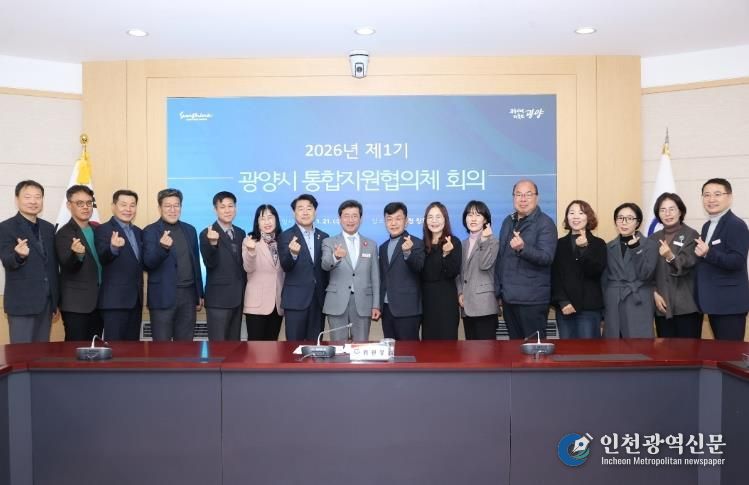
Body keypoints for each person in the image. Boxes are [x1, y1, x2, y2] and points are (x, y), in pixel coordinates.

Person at [496, 180, 557, 339]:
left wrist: (523, 248)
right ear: (513, 197)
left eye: (528, 194)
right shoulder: (508, 221)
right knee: (514, 347)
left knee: (534, 348)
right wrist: (498, 292)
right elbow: (501, 258)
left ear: (537, 197)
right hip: (509, 299)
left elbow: (547, 257)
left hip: (532, 301)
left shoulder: (545, 223)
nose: (523, 199)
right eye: (519, 194)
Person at [0, 180, 59, 343]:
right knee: (21, 353)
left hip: (46, 303)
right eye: (27, 197)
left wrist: (55, 301)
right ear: (17, 199)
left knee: (42, 353)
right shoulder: (6, 227)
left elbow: (52, 266)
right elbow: (7, 261)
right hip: (22, 303)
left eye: (38, 197)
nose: (33, 201)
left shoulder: (48, 228)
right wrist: (18, 255)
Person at [143, 188, 204, 341]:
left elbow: (195, 263)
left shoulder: (190, 230)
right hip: (162, 297)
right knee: (161, 348)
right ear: (160, 208)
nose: (172, 210)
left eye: (176, 205)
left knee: (185, 347)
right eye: (167, 206)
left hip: (188, 296)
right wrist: (162, 248)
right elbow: (147, 263)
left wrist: (199, 293)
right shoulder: (150, 231)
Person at [694, 178, 749, 341]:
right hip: (714, 302)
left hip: (729, 304)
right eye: (706, 195)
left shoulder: (736, 225)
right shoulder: (707, 226)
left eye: (717, 194)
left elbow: (737, 261)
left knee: (730, 352)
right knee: (720, 351)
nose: (711, 199)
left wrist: (708, 253)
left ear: (729, 197)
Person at [321, 200, 380, 341]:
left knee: (360, 346)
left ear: (361, 218)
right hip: (337, 302)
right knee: (338, 346)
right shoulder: (329, 242)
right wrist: (336, 256)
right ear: (340, 218)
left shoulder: (371, 244)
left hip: (363, 302)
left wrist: (376, 305)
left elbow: (375, 277)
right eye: (346, 216)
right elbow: (325, 265)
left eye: (354, 216)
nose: (350, 220)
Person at [648, 192, 702, 338]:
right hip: (662, 306)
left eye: (672, 209)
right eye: (663, 210)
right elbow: (648, 272)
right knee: (665, 350)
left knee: (689, 349)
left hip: (686, 306)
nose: (667, 214)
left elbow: (689, 263)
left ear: (680, 211)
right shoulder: (653, 239)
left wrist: (670, 256)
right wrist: (654, 293)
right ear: (658, 214)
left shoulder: (691, 234)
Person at [551, 200, 606, 339]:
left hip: (588, 309)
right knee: (566, 350)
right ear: (567, 217)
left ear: (588, 217)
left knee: (589, 350)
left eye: (581, 213)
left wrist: (584, 249)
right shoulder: (559, 244)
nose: (575, 216)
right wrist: (562, 301)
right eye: (571, 213)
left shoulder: (599, 243)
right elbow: (554, 276)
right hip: (564, 308)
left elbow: (595, 272)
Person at [602, 202, 658, 338]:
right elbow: (603, 279)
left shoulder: (650, 245)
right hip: (614, 300)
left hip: (638, 299)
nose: (624, 222)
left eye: (629, 218)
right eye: (620, 218)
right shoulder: (608, 246)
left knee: (639, 344)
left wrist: (635, 249)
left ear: (637, 222)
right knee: (613, 343)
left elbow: (646, 274)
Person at [278, 194, 329, 341]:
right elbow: (285, 266)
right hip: (295, 301)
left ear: (315, 211)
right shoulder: (286, 236)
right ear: (294, 212)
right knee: (294, 345)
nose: (305, 212)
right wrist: (293, 254)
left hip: (318, 300)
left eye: (309, 208)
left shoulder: (324, 236)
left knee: (316, 345)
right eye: (300, 209)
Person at [55, 185, 102, 341]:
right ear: (69, 205)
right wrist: (78, 255)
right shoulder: (64, 233)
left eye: (89, 203)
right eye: (80, 203)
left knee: (95, 348)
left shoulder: (97, 230)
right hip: (76, 305)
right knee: (75, 349)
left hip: (98, 301)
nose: (85, 207)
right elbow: (67, 265)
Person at [95, 189, 143, 340]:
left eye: (132, 205)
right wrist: (113, 248)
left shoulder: (138, 232)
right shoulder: (103, 229)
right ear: (113, 206)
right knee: (114, 348)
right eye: (123, 204)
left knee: (133, 350)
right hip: (114, 302)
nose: (128, 209)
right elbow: (103, 257)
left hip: (135, 302)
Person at [199, 191, 246, 341]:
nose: (227, 210)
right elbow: (209, 263)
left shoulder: (240, 233)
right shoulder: (206, 233)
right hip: (218, 301)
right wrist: (213, 244)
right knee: (218, 347)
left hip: (238, 298)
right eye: (222, 207)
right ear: (215, 210)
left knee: (234, 346)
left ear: (235, 208)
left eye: (230, 206)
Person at [378, 202, 425, 340]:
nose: (393, 223)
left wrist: (407, 253)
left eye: (398, 219)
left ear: (406, 221)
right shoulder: (383, 247)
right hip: (387, 309)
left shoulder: (416, 243)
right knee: (390, 350)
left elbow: (419, 267)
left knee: (409, 350)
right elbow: (383, 278)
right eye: (389, 219)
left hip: (408, 310)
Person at [458, 200, 500, 340]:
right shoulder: (462, 244)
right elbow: (458, 272)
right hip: (466, 305)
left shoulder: (493, 241)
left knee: (486, 350)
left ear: (485, 220)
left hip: (485, 306)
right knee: (471, 350)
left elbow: (484, 264)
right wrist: (460, 292)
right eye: (470, 215)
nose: (473, 219)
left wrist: (484, 240)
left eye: (478, 215)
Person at [242, 204, 285, 340]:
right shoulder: (250, 241)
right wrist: (251, 251)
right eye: (262, 218)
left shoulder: (283, 241)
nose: (267, 222)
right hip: (256, 304)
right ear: (257, 222)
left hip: (277, 304)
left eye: (270, 217)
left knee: (272, 346)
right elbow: (248, 268)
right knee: (255, 348)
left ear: (276, 220)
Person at [421, 202, 461, 340]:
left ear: (445, 219)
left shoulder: (454, 242)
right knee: (428, 346)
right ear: (426, 221)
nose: (434, 221)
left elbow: (453, 272)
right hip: (427, 304)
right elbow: (425, 274)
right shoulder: (422, 245)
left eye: (438, 217)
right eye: (430, 217)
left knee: (448, 346)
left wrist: (446, 255)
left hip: (447, 303)